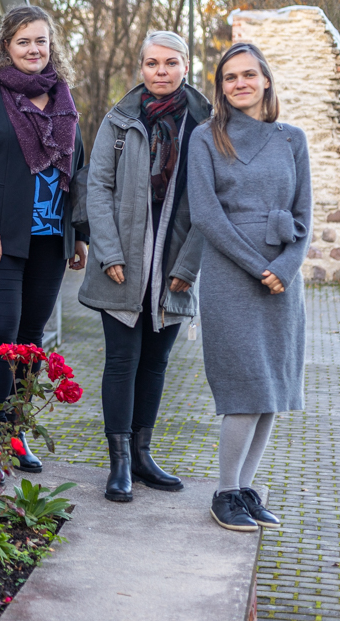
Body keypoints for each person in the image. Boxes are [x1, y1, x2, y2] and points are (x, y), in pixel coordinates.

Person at [78, 31, 210, 502]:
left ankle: (142, 455)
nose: (161, 71)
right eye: (152, 63)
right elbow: (98, 188)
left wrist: (189, 266)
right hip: (124, 261)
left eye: (170, 63)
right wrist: (108, 253)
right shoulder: (118, 120)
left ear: (186, 66)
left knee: (156, 363)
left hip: (174, 262)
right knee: (121, 361)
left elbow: (212, 204)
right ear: (141, 68)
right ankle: (117, 466)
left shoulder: (207, 125)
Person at [0, 5, 87, 473]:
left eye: (41, 41)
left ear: (52, 47)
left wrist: (80, 234)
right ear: (6, 46)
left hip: (51, 238)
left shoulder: (64, 97)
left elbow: (79, 168)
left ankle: (17, 430)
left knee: (31, 337)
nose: (34, 50)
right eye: (24, 41)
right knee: (1, 333)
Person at [188, 42, 310, 533]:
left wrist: (287, 266)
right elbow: (206, 215)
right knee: (243, 389)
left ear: (265, 81)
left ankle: (244, 489)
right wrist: (259, 266)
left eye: (248, 75)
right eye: (229, 77)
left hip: (283, 281)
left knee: (271, 391)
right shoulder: (206, 138)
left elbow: (304, 215)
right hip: (231, 276)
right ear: (220, 88)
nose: (239, 83)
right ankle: (223, 493)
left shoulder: (292, 139)